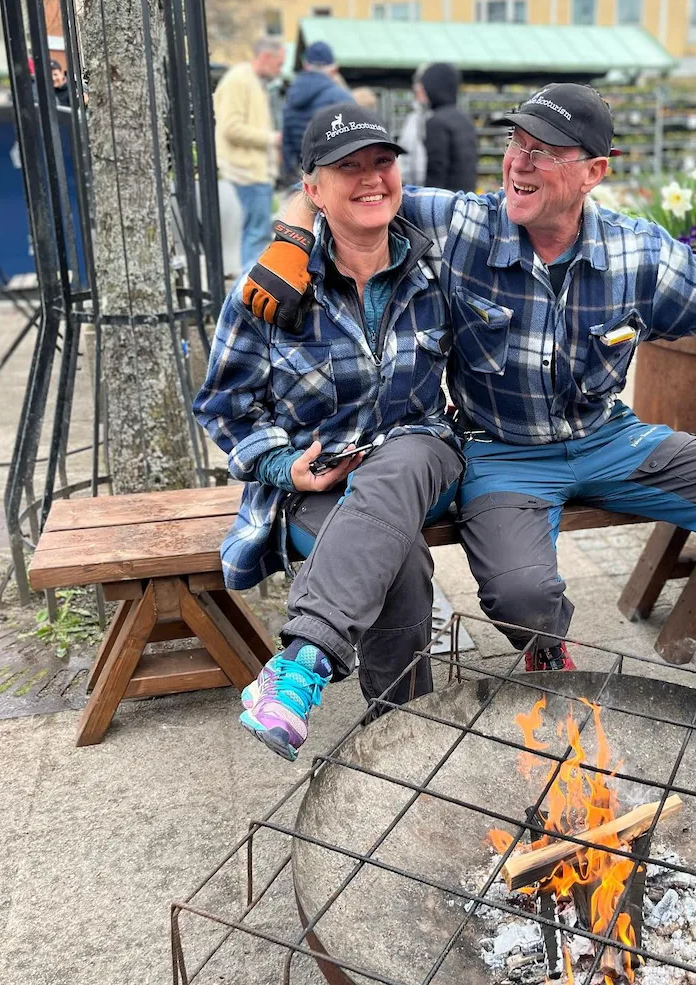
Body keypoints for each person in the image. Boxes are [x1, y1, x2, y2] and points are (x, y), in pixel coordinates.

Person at [240, 83, 696, 786]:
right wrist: (290, 238)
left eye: (545, 151)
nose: (519, 163)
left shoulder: (638, 253)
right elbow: (353, 188)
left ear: (594, 172)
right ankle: (544, 649)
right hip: (501, 451)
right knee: (521, 593)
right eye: (515, 144)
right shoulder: (463, 226)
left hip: (608, 439)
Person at [193, 103, 463, 761]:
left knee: (409, 453)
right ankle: (402, 735)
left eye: (382, 162)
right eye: (349, 168)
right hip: (319, 484)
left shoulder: (436, 266)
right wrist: (284, 467)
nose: (371, 178)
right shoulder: (273, 287)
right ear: (313, 190)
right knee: (400, 562)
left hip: (423, 458)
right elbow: (224, 405)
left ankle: (303, 660)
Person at [213, 37, 285, 269]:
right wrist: (272, 139)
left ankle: (249, 283)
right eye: (279, 64)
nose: (280, 70)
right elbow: (231, 128)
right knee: (256, 234)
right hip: (246, 172)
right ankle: (250, 285)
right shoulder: (239, 81)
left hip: (252, 171)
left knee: (256, 233)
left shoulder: (250, 81)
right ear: (266, 57)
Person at [281, 41, 353, 180]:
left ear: (305, 65)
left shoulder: (291, 95)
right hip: (334, 176)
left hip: (302, 175)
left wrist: (291, 175)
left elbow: (286, 141)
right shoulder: (341, 97)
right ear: (333, 69)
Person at [419, 62, 479, 192]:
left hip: (446, 197)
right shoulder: (465, 119)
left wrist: (428, 198)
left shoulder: (436, 122)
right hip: (467, 194)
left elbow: (436, 168)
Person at [397, 65, 431, 187]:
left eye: (422, 85)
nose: (417, 88)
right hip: (411, 187)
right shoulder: (412, 118)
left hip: (430, 187)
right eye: (417, 84)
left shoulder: (436, 118)